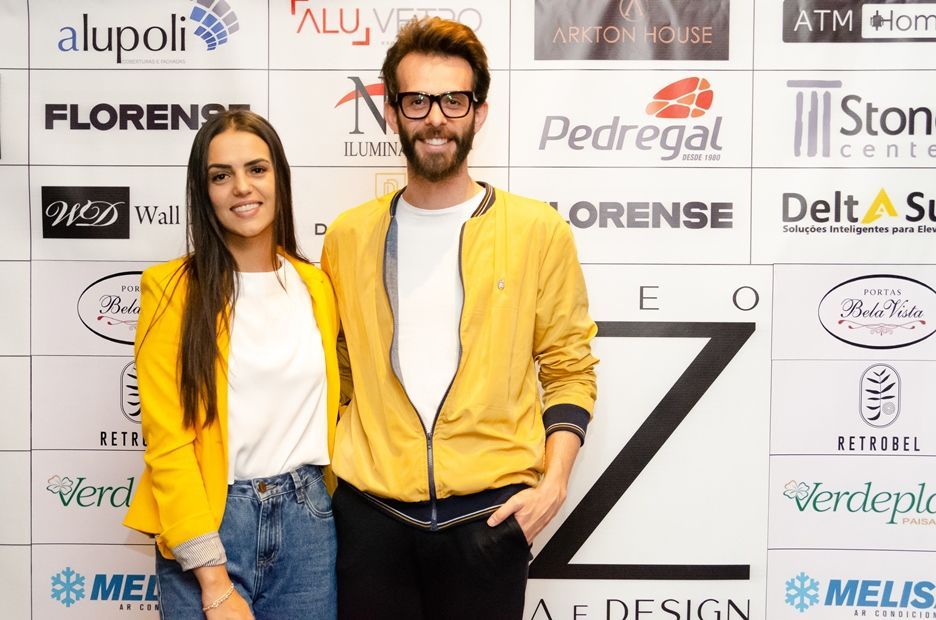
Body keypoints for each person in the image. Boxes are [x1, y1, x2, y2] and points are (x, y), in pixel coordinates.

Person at [322, 17, 598, 620]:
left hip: (490, 519)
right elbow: (335, 372)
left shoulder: (535, 231)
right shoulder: (348, 236)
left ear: (479, 112)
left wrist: (552, 485)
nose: (436, 118)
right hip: (370, 518)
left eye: (454, 99)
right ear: (392, 112)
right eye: (417, 100)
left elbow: (569, 367)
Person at [124, 110, 340, 619]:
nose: (242, 188)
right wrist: (212, 577)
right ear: (205, 192)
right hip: (214, 520)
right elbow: (168, 442)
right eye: (221, 176)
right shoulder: (172, 290)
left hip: (309, 520)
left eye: (257, 169)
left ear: (279, 178)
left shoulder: (316, 286)